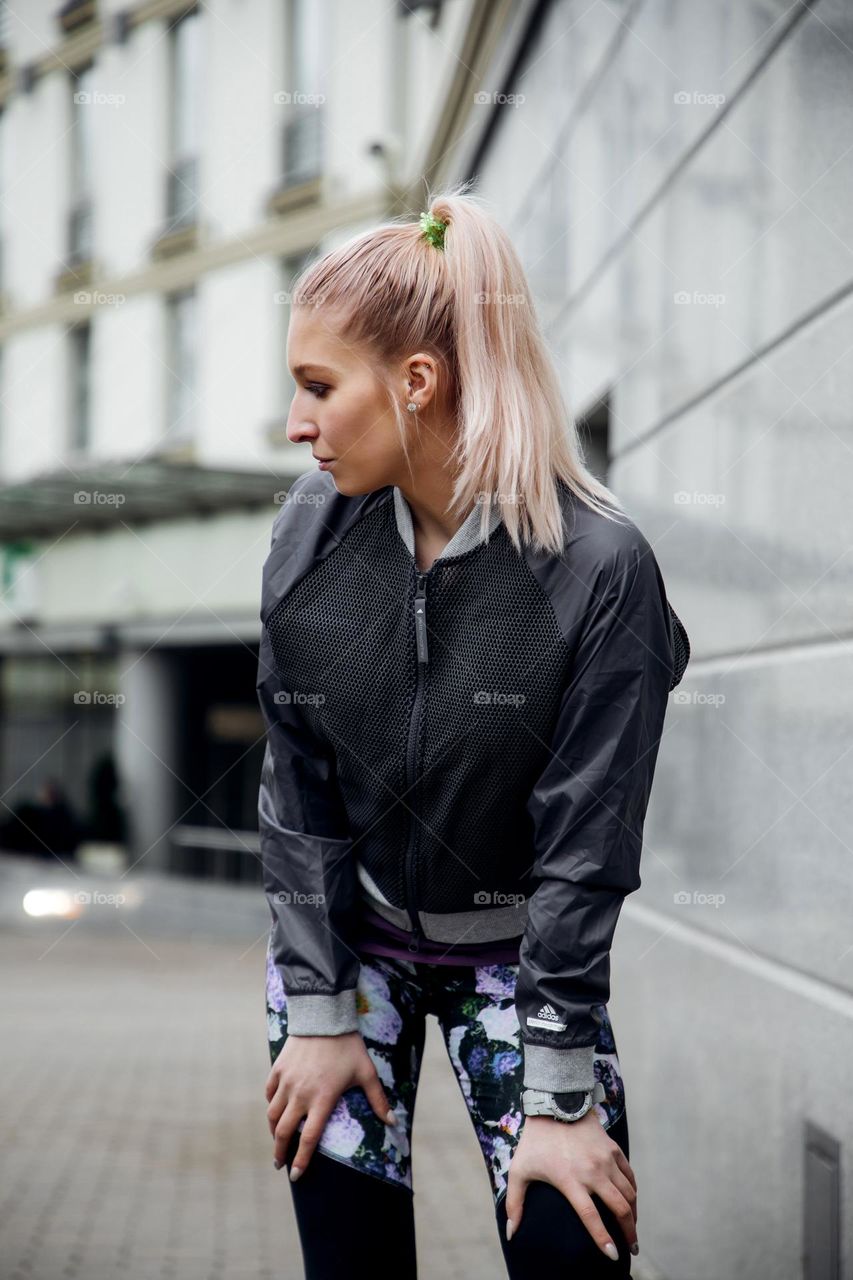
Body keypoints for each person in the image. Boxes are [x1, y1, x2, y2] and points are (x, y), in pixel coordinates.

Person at [256, 182, 690, 1279]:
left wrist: (557, 1096)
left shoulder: (598, 569)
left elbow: (581, 852)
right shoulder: (309, 529)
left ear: (416, 381)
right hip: (348, 950)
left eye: (317, 388)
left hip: (524, 968)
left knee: (572, 1251)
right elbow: (295, 786)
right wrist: (317, 1008)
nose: (296, 425)